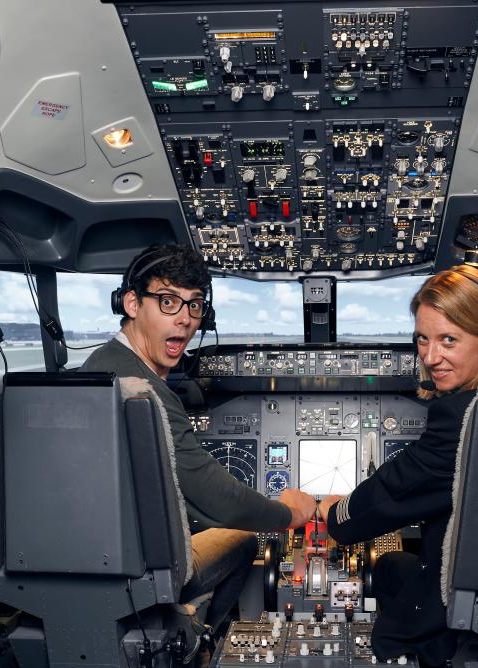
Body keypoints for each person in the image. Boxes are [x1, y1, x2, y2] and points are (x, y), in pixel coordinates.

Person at [319, 264, 478, 668]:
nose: (431, 356)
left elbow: (395, 492)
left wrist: (331, 513)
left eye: (449, 340)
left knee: (387, 628)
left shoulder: (466, 414)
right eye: (422, 339)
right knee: (397, 563)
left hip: (472, 597)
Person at [81, 243, 316, 632]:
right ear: (132, 304)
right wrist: (290, 513)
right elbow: (218, 500)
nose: (185, 320)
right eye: (168, 302)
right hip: (137, 575)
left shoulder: (98, 367)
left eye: (195, 305)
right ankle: (195, 641)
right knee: (241, 537)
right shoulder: (142, 391)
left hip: (94, 558)